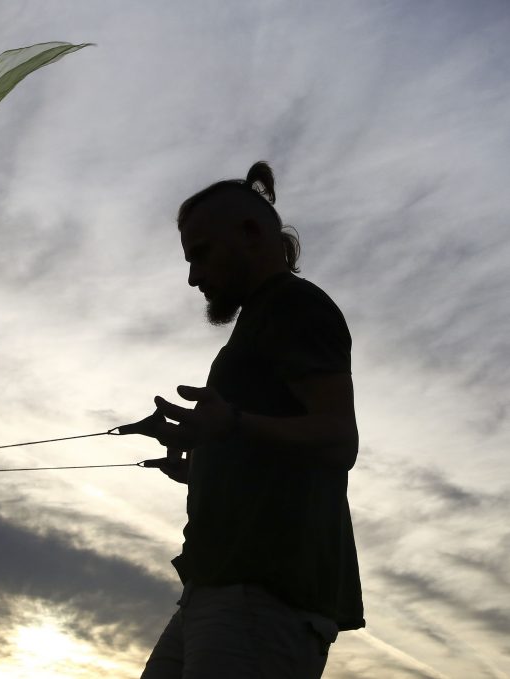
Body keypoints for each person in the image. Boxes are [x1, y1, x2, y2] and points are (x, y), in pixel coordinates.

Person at [140, 161, 364, 679]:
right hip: (216, 586)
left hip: (263, 594)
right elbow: (267, 444)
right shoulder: (260, 321)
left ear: (251, 234)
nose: (193, 276)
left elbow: (339, 439)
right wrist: (205, 461)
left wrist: (233, 425)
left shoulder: (295, 306)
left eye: (201, 254)